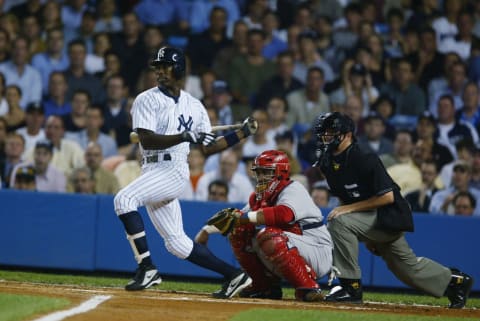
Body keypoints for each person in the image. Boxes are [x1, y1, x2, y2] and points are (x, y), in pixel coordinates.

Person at [113, 46, 258, 294]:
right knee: (177, 244)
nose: (159, 71)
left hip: (174, 170)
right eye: (157, 67)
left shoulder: (195, 106)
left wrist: (241, 134)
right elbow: (146, 140)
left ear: (179, 68)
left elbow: (210, 148)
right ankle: (235, 275)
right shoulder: (146, 99)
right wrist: (183, 135)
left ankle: (146, 268)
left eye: (165, 66)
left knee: (124, 200)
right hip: (152, 169)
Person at [312, 112, 474, 308]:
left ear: (346, 135)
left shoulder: (364, 158)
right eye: (324, 133)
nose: (326, 137)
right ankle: (456, 281)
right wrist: (364, 229)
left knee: (338, 221)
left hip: (389, 215)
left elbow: (386, 197)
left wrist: (349, 212)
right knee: (407, 270)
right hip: (368, 217)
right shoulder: (328, 162)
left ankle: (350, 287)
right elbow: (345, 196)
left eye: (331, 132)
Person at [197, 150, 333, 301]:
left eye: (266, 172)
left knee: (268, 235)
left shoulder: (293, 188)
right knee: (239, 230)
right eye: (259, 172)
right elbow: (236, 220)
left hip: (317, 249)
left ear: (281, 172)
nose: (261, 177)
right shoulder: (259, 196)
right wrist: (206, 230)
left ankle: (308, 287)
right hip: (294, 245)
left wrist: (243, 217)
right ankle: (263, 286)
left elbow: (284, 214)